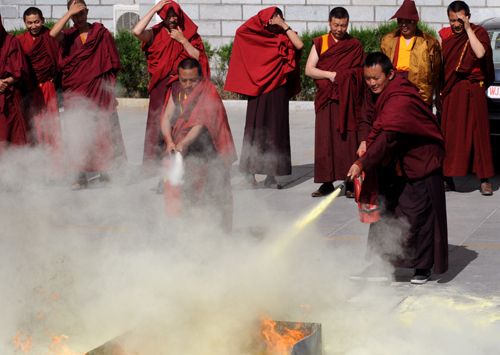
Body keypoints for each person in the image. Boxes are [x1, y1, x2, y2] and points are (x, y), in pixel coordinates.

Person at [347, 52, 448, 284]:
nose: (371, 83)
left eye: (376, 78)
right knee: (384, 211)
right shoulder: (375, 93)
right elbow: (365, 118)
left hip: (419, 160)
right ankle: (378, 266)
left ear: (390, 74)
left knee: (416, 215)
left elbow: (388, 136)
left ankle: (422, 268)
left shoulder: (401, 98)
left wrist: (362, 163)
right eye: (368, 78)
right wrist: (364, 139)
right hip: (393, 161)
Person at [50, 0, 126, 189]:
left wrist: (111, 92)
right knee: (77, 133)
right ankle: (80, 176)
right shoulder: (67, 35)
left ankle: (105, 171)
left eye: (82, 12)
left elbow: (112, 65)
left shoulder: (101, 33)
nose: (79, 17)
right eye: (75, 14)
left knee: (102, 131)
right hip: (75, 92)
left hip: (98, 92)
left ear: (88, 11)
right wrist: (69, 14)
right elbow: (52, 35)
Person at [224, 7, 303, 188]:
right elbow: (240, 31)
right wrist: (261, 19)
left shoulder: (284, 36)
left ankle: (272, 175)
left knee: (277, 131)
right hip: (258, 91)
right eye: (272, 18)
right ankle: (250, 174)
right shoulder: (257, 38)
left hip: (278, 92)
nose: (275, 20)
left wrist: (283, 25)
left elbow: (299, 45)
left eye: (279, 17)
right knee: (255, 130)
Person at [161, 58, 237, 232]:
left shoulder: (208, 91)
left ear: (201, 78)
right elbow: (166, 116)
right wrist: (169, 141)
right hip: (186, 151)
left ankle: (220, 234)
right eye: (184, 80)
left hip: (210, 149)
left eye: (192, 80)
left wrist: (184, 142)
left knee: (215, 193)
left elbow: (200, 122)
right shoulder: (175, 89)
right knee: (187, 192)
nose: (187, 84)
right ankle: (190, 233)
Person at [133, 0, 210, 170]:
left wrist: (182, 40)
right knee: (157, 123)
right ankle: (155, 162)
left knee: (180, 124)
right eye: (168, 16)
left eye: (175, 15)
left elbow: (199, 58)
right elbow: (137, 31)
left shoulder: (189, 33)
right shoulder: (156, 32)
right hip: (160, 87)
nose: (172, 19)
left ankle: (181, 160)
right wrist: (154, 8)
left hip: (182, 87)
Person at [305, 7, 365, 198]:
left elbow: (360, 73)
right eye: (336, 25)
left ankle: (348, 182)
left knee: (346, 140)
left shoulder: (354, 45)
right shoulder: (321, 42)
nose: (339, 29)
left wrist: (345, 77)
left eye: (343, 25)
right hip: (326, 99)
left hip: (347, 100)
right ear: (329, 22)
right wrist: (331, 75)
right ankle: (326, 182)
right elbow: (309, 69)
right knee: (325, 140)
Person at [439, 1, 495, 195]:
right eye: (452, 20)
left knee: (479, 136)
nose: (456, 24)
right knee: (451, 135)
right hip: (453, 90)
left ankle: (484, 179)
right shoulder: (444, 36)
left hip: (474, 89)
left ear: (468, 17)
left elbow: (479, 52)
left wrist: (468, 28)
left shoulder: (478, 33)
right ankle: (447, 178)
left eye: (460, 20)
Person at [380, 0, 441, 107]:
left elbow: (436, 70)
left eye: (408, 21)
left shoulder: (428, 42)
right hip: (395, 82)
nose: (404, 25)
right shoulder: (388, 40)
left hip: (418, 86)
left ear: (415, 21)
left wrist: (435, 91)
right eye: (400, 21)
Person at [17, 7, 61, 151]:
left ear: (42, 20)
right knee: (33, 123)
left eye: (36, 22)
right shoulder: (20, 41)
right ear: (25, 23)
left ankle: (55, 159)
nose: (33, 26)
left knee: (51, 123)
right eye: (29, 23)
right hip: (29, 89)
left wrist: (55, 78)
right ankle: (36, 157)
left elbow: (60, 60)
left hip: (48, 86)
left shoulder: (50, 36)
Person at [0, 14, 29, 153]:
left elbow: (20, 70)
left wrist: (7, 82)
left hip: (9, 97)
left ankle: (13, 171)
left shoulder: (11, 42)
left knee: (12, 135)